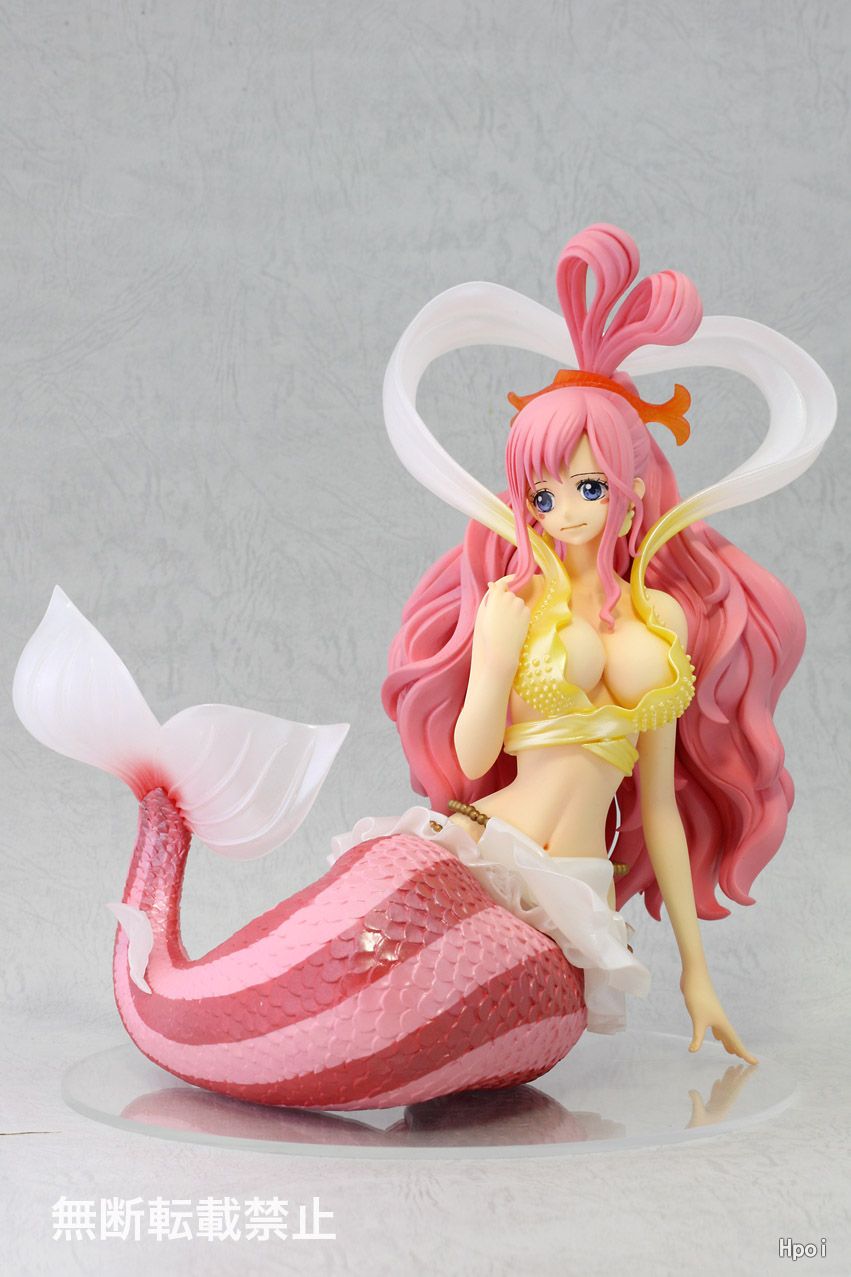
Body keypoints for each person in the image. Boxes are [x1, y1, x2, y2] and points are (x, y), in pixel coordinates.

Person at [13, 224, 834, 1111]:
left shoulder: (662, 618)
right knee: (317, 1004)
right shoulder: (513, 604)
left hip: (572, 898)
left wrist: (695, 975)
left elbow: (660, 804)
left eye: (587, 488)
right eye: (543, 494)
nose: (564, 512)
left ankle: (208, 1018)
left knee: (524, 1028)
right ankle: (166, 935)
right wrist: (495, 652)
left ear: (632, 490)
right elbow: (477, 753)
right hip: (477, 855)